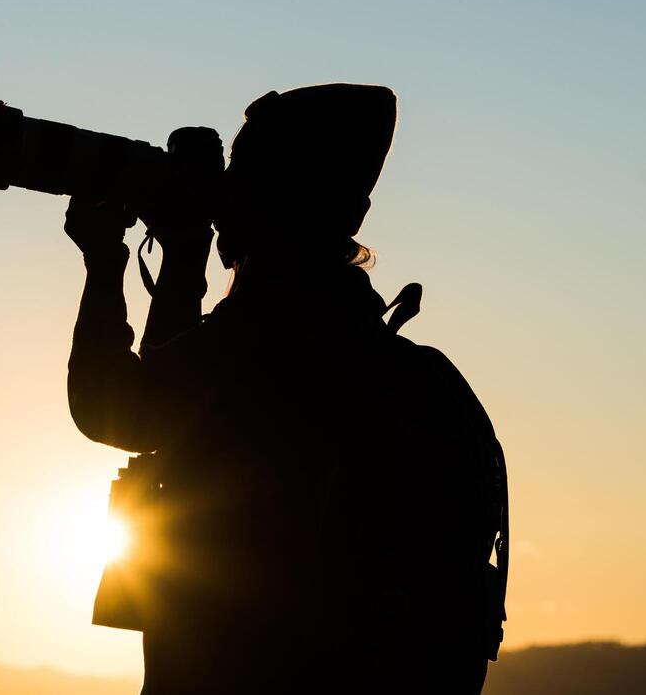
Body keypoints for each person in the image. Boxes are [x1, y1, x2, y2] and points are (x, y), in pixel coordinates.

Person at [65, 84, 495, 694]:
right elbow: (179, 409)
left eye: (239, 172)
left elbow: (115, 410)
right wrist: (184, 251)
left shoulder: (272, 339)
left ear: (272, 195)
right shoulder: (391, 365)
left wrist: (106, 257)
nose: (222, 193)